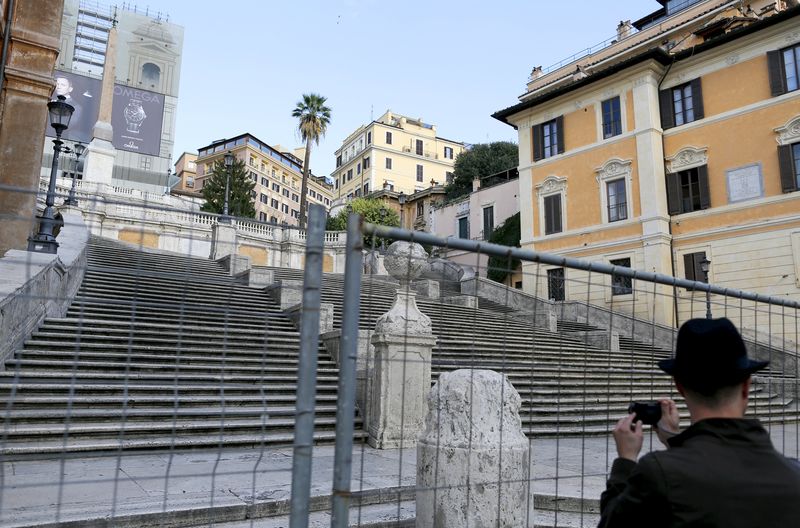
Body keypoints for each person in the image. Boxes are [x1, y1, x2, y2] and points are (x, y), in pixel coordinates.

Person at [599, 317, 800, 528]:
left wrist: (625, 461)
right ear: (746, 386)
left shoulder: (659, 474)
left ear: (680, 386)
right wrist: (677, 442)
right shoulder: (794, 474)